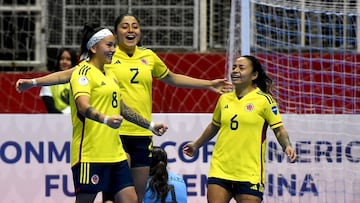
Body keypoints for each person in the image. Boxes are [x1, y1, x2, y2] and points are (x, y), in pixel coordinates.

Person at [15, 13, 232, 203]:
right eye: (124, 26)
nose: (130, 30)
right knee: (102, 198)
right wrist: (34, 82)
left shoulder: (138, 61)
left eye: (135, 25)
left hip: (131, 140)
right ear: (114, 34)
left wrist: (152, 123)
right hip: (106, 142)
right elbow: (74, 85)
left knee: (132, 198)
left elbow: (162, 84)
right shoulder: (95, 64)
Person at [57, 22, 168, 203]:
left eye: (114, 45)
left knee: (130, 199)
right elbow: (83, 107)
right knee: (85, 199)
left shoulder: (110, 74)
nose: (114, 49)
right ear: (93, 47)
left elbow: (122, 109)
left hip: (116, 154)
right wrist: (106, 120)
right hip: (90, 154)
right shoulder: (83, 72)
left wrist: (151, 125)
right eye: (109, 45)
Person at [183, 55, 297, 203]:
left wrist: (287, 145)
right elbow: (214, 126)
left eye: (241, 68)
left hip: (249, 173)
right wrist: (196, 144)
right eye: (234, 67)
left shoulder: (265, 101)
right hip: (220, 169)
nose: (235, 71)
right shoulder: (224, 98)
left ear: (254, 75)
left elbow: (279, 130)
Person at [39, 48, 77, 113]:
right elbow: (50, 107)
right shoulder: (49, 80)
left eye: (68, 59)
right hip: (57, 120)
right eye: (62, 59)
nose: (64, 61)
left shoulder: (80, 80)